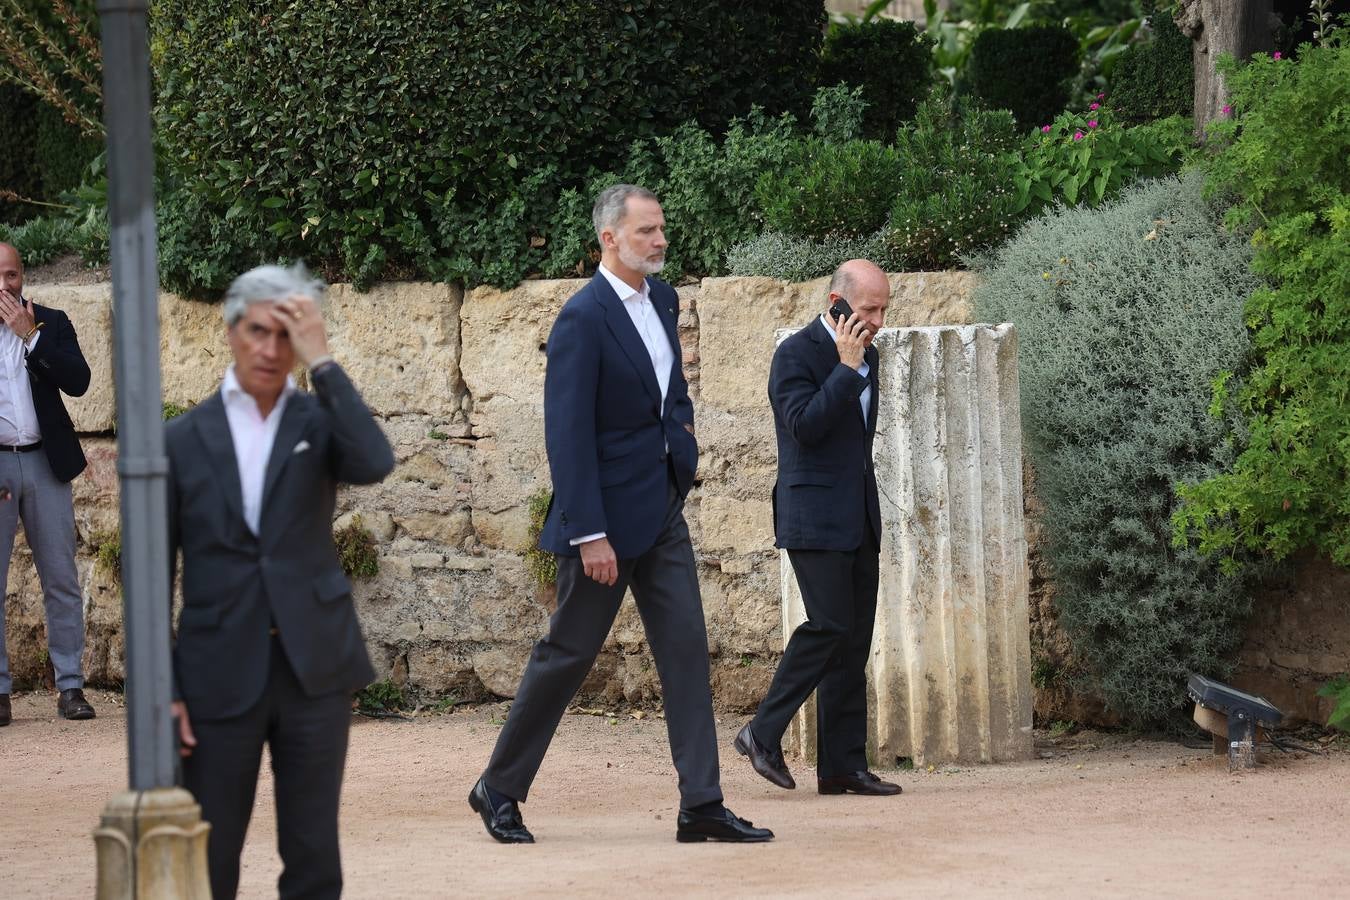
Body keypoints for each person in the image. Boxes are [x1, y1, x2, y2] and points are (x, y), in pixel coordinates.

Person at [469, 185, 772, 845]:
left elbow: (669, 395)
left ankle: (702, 804)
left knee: (688, 651)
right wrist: (589, 532)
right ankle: (498, 787)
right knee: (566, 656)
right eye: (646, 232)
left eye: (661, 230)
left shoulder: (663, 299)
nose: (660, 241)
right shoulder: (582, 318)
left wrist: (682, 453)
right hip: (601, 524)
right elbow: (567, 433)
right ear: (610, 238)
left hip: (661, 510)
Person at [166, 263, 394, 899]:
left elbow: (375, 461)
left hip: (314, 668)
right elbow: (153, 576)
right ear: (233, 330)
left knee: (314, 855)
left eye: (285, 337)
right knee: (208, 858)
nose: (270, 351)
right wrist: (165, 686)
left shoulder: (319, 425)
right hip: (214, 671)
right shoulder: (181, 439)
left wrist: (322, 362)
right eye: (258, 333)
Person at [734, 259, 903, 798]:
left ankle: (841, 767)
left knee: (852, 643)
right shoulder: (796, 355)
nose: (876, 320)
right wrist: (845, 368)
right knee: (828, 625)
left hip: (858, 516)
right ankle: (762, 731)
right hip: (811, 517)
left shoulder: (867, 356)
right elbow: (804, 428)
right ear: (836, 300)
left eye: (882, 309)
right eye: (867, 308)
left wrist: (856, 362)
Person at [0, 242, 94, 727]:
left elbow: (79, 381)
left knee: (60, 578)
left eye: (11, 275)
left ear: (23, 276)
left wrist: (30, 336)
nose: (4, 286)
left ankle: (71, 686)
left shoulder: (51, 322)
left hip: (44, 463)